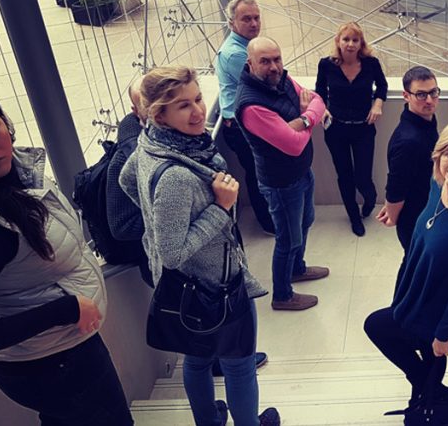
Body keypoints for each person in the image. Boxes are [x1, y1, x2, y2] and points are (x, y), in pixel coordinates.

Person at [0, 83, 133, 425]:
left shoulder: (18, 175)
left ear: (5, 123)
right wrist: (65, 310)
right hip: (51, 361)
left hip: (60, 350)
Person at [119, 67, 279, 426]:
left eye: (197, 99)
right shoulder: (176, 174)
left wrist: (158, 217)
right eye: (182, 106)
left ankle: (208, 419)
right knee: (239, 366)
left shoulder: (150, 143)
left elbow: (126, 178)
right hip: (213, 287)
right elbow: (172, 253)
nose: (197, 112)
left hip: (183, 293)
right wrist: (219, 209)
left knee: (197, 359)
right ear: (159, 114)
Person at [365, 118, 448, 413]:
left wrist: (444, 333)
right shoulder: (438, 184)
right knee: (425, 362)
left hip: (441, 314)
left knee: (376, 326)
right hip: (416, 295)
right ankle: (428, 391)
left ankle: (427, 392)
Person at [236, 37, 329, 311]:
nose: (274, 66)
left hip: (301, 172)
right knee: (288, 240)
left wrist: (302, 120)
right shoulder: (251, 105)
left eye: (277, 58)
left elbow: (319, 101)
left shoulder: (280, 80)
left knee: (306, 221)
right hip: (281, 183)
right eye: (265, 61)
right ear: (250, 64)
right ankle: (283, 295)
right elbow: (293, 144)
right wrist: (309, 119)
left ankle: (297, 269)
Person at [315, 22, 388, 237]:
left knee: (363, 176)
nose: (350, 44)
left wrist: (377, 104)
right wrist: (323, 109)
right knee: (344, 175)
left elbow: (382, 86)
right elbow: (319, 91)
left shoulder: (371, 63)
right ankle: (354, 217)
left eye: (355, 40)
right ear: (338, 41)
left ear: (361, 43)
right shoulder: (326, 64)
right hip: (335, 129)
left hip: (363, 129)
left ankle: (370, 197)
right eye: (346, 39)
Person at [215, 0, 276, 235]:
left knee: (259, 171)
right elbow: (268, 84)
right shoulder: (236, 55)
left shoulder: (246, 47)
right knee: (258, 173)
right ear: (232, 23)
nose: (254, 23)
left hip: (242, 123)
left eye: (256, 17)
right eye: (246, 19)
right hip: (241, 127)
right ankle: (269, 223)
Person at [376, 66, 440, 259]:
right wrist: (392, 212)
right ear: (406, 96)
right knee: (415, 267)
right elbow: (396, 188)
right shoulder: (408, 141)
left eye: (433, 92)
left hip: (424, 208)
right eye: (421, 94)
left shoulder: (425, 122)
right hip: (414, 219)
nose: (429, 100)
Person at [106, 76, 153, 285]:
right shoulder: (124, 162)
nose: (158, 107)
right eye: (148, 103)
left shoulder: (183, 136)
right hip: (172, 275)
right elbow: (121, 226)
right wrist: (177, 219)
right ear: (136, 110)